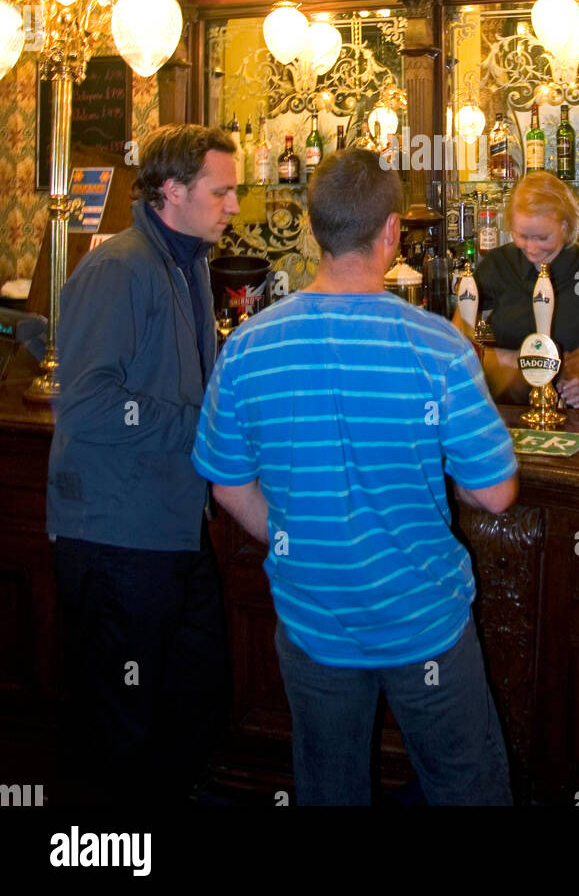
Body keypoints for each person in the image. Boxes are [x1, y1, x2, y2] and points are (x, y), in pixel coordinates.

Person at [193, 148, 518, 807]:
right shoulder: (439, 345)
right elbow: (496, 491)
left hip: (312, 622)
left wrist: (291, 536)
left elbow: (228, 486)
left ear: (312, 230)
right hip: (425, 619)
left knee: (329, 791)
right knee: (467, 789)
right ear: (392, 231)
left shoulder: (249, 346)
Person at [46, 124, 240, 805]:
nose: (235, 205)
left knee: (193, 693)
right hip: (114, 533)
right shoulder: (119, 267)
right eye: (223, 191)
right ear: (172, 191)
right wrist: (205, 429)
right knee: (115, 725)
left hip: (169, 528)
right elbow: (90, 406)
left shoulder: (187, 264)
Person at [456, 172, 579, 407]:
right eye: (522, 236)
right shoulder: (499, 264)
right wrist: (511, 359)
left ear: (564, 225)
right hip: (507, 410)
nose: (531, 248)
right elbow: (455, 343)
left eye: (542, 237)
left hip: (566, 412)